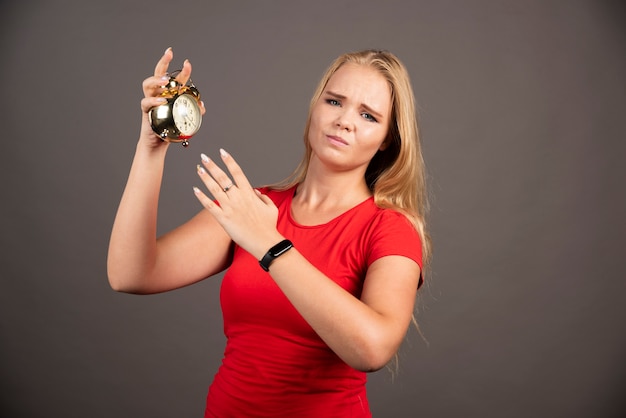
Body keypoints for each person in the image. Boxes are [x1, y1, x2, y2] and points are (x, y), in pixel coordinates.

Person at [107, 47, 431, 417]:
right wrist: (150, 148)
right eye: (334, 101)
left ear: (388, 137)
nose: (344, 121)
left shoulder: (389, 227)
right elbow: (130, 273)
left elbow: (372, 350)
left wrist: (270, 245)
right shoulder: (255, 208)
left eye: (368, 115)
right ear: (315, 107)